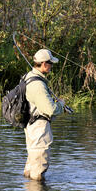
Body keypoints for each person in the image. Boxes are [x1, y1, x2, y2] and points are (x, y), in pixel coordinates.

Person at [23, 49, 65, 181]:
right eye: (50, 63)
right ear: (44, 64)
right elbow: (50, 109)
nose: (52, 66)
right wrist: (61, 105)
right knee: (39, 167)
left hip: (31, 126)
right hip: (39, 129)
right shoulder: (38, 85)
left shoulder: (28, 76)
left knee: (32, 166)